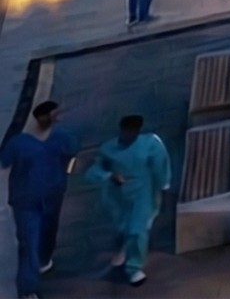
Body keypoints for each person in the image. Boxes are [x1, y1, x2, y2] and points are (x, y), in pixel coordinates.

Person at [2, 100, 74, 297]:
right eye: (54, 114)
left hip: (53, 198)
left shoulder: (62, 137)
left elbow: (71, 156)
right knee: (29, 244)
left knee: (48, 235)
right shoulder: (18, 144)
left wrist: (64, 175)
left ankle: (43, 260)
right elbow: (3, 164)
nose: (58, 117)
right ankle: (27, 290)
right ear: (42, 117)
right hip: (25, 202)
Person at [92, 114, 168, 288]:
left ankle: (134, 269)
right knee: (125, 226)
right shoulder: (108, 149)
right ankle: (126, 249)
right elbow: (95, 170)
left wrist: (162, 184)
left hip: (143, 192)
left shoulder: (151, 144)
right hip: (118, 195)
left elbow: (160, 166)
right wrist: (110, 176)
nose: (129, 134)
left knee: (137, 229)